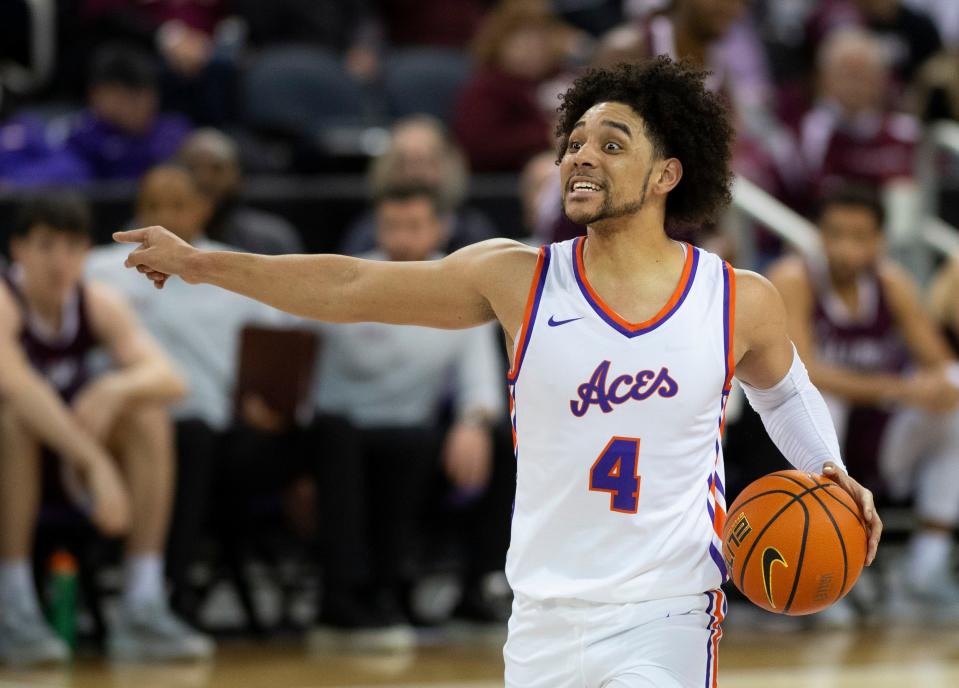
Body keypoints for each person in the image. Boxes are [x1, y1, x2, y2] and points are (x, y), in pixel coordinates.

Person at [116, 57, 882, 687]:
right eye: (575, 140)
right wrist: (200, 263)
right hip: (542, 617)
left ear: (665, 176)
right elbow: (351, 287)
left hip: (667, 611)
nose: (581, 155)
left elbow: (782, 389)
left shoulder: (735, 299)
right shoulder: (516, 279)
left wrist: (827, 469)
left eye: (611, 145)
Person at [86, 165, 397, 647]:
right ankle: (171, 599)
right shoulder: (103, 269)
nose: (165, 216)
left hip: (232, 434)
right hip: (152, 433)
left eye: (178, 205)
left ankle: (344, 598)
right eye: (154, 206)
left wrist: (279, 407)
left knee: (333, 430)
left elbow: (284, 347)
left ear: (204, 209)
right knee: (190, 433)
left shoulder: (226, 266)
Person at [0, 193, 212, 665]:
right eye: (46, 245)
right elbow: (14, 384)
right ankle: (10, 603)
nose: (60, 261)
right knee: (13, 420)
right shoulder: (4, 301)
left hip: (64, 463)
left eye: (72, 246)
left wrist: (112, 390)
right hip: (16, 464)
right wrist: (95, 466)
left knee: (147, 413)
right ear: (18, 249)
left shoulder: (96, 301)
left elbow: (170, 379)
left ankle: (142, 600)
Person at [313, 183, 508, 625]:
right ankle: (348, 595)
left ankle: (478, 586)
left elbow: (481, 385)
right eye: (392, 226)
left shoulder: (460, 294)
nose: (402, 238)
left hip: (414, 440)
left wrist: (474, 422)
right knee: (341, 440)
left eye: (414, 226)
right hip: (337, 438)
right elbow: (300, 369)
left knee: (497, 442)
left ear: (439, 230)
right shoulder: (346, 280)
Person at [771, 186, 959, 608]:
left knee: (955, 401)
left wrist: (938, 386)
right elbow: (804, 373)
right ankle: (818, 565)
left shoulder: (891, 283)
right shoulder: (794, 278)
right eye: (835, 234)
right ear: (818, 236)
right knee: (823, 402)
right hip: (812, 442)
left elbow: (939, 361)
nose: (846, 248)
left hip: (878, 435)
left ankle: (926, 566)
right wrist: (899, 388)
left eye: (859, 237)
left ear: (879, 242)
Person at [64, 44, 192, 181]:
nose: (142, 108)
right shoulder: (81, 137)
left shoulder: (175, 131)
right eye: (129, 98)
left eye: (148, 98)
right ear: (97, 94)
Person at [177, 128, 303, 255]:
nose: (204, 178)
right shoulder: (164, 237)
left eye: (217, 168)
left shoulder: (271, 239)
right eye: (193, 167)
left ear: (237, 175)